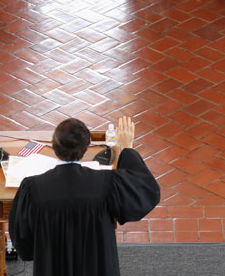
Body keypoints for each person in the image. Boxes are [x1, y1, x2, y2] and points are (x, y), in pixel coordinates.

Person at [8, 115, 160, 276]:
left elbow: (22, 238)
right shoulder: (107, 183)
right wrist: (126, 147)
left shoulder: (32, 189)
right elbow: (144, 189)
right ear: (85, 148)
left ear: (54, 146)